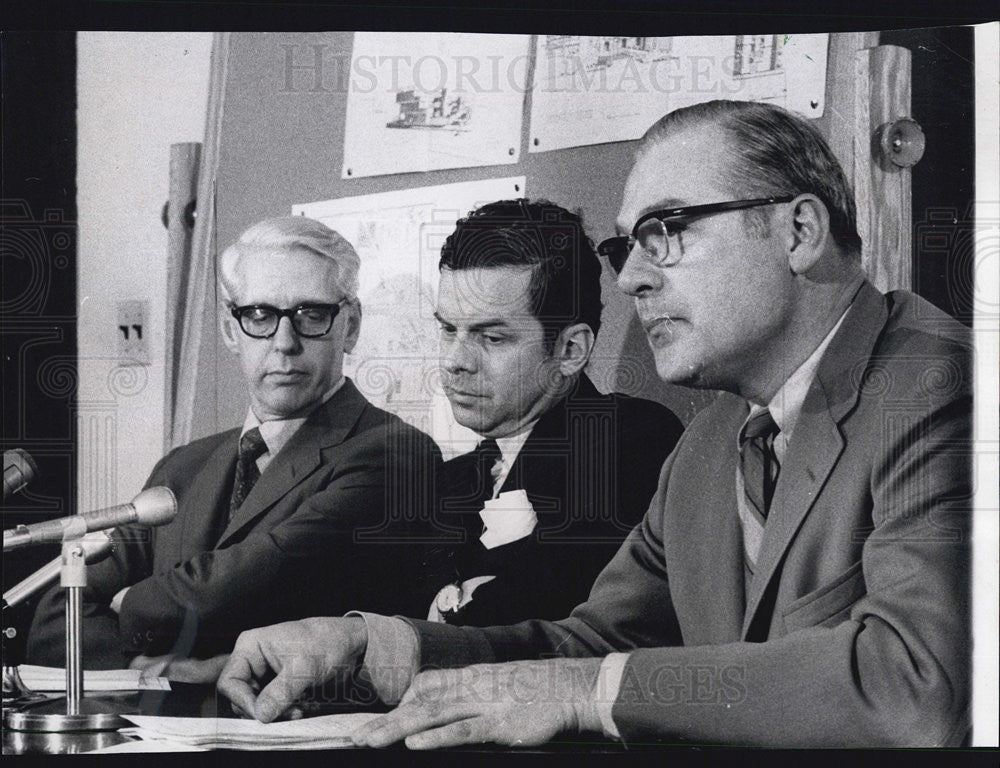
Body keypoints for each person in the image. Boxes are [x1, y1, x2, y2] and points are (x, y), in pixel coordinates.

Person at [217, 101, 972, 747]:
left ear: (799, 230)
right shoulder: (713, 442)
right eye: (626, 245)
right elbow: (597, 646)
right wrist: (380, 648)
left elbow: (912, 685)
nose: (634, 275)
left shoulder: (944, 389)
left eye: (666, 229)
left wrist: (583, 689)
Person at [27, 216, 439, 672]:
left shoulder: (396, 452)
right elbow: (55, 621)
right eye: (259, 316)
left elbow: (246, 589)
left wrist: (132, 604)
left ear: (352, 326)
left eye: (311, 316)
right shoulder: (182, 467)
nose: (285, 343)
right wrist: (155, 670)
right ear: (230, 330)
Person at [416, 199, 683, 626]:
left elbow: (581, 617)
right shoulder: (449, 481)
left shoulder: (631, 439)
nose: (454, 361)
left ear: (570, 350)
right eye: (449, 329)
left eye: (493, 338)